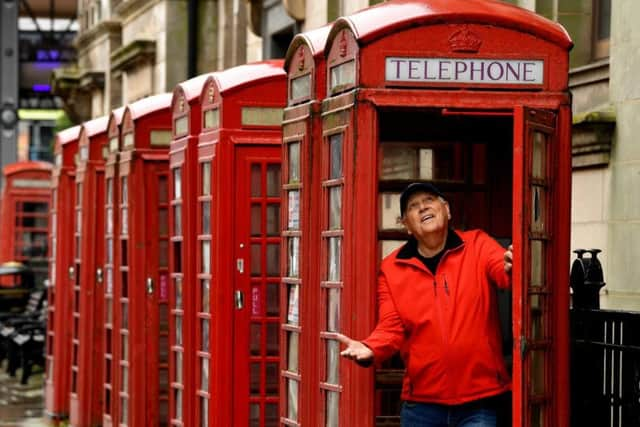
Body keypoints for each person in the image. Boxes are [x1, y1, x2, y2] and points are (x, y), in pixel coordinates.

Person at [337, 182, 513, 427]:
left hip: (479, 401)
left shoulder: (477, 244)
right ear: (406, 225)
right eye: (413, 206)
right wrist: (370, 348)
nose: (423, 208)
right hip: (422, 407)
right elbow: (391, 327)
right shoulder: (391, 269)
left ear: (447, 210)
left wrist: (513, 264)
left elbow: (502, 269)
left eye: (429, 200)